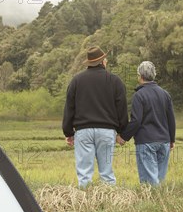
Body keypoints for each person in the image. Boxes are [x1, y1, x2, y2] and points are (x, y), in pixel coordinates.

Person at [63, 46, 128, 187]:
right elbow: (121, 108)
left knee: (84, 174)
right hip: (106, 131)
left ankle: (85, 204)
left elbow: (69, 107)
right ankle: (110, 203)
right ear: (103, 62)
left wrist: (68, 132)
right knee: (107, 173)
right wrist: (122, 132)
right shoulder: (115, 81)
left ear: (89, 63)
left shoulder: (76, 80)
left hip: (83, 131)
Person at [117, 61, 175, 185]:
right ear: (153, 75)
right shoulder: (165, 94)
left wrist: (123, 137)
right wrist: (172, 140)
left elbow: (136, 121)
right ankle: (160, 202)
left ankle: (151, 203)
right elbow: (171, 119)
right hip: (164, 141)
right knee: (160, 181)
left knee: (149, 183)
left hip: (146, 142)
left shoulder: (139, 95)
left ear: (140, 77)